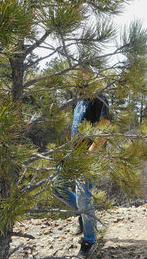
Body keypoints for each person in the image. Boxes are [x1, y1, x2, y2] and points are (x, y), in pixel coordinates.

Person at [52, 94, 110, 259]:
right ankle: (84, 217)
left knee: (83, 197)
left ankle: (90, 241)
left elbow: (104, 128)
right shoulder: (78, 98)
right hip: (73, 153)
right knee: (56, 186)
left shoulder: (99, 96)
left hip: (89, 155)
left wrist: (90, 154)